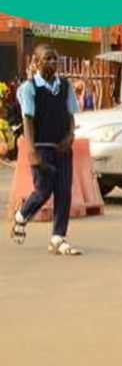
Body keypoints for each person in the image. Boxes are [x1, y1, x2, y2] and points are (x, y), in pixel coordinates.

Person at [8, 44, 82, 255]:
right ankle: (21, 215)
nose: (52, 63)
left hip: (62, 147)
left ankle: (58, 238)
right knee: (43, 190)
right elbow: (28, 119)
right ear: (36, 62)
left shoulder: (66, 87)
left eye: (54, 59)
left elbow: (70, 116)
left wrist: (70, 135)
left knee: (63, 191)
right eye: (47, 59)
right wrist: (31, 150)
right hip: (41, 147)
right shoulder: (29, 88)